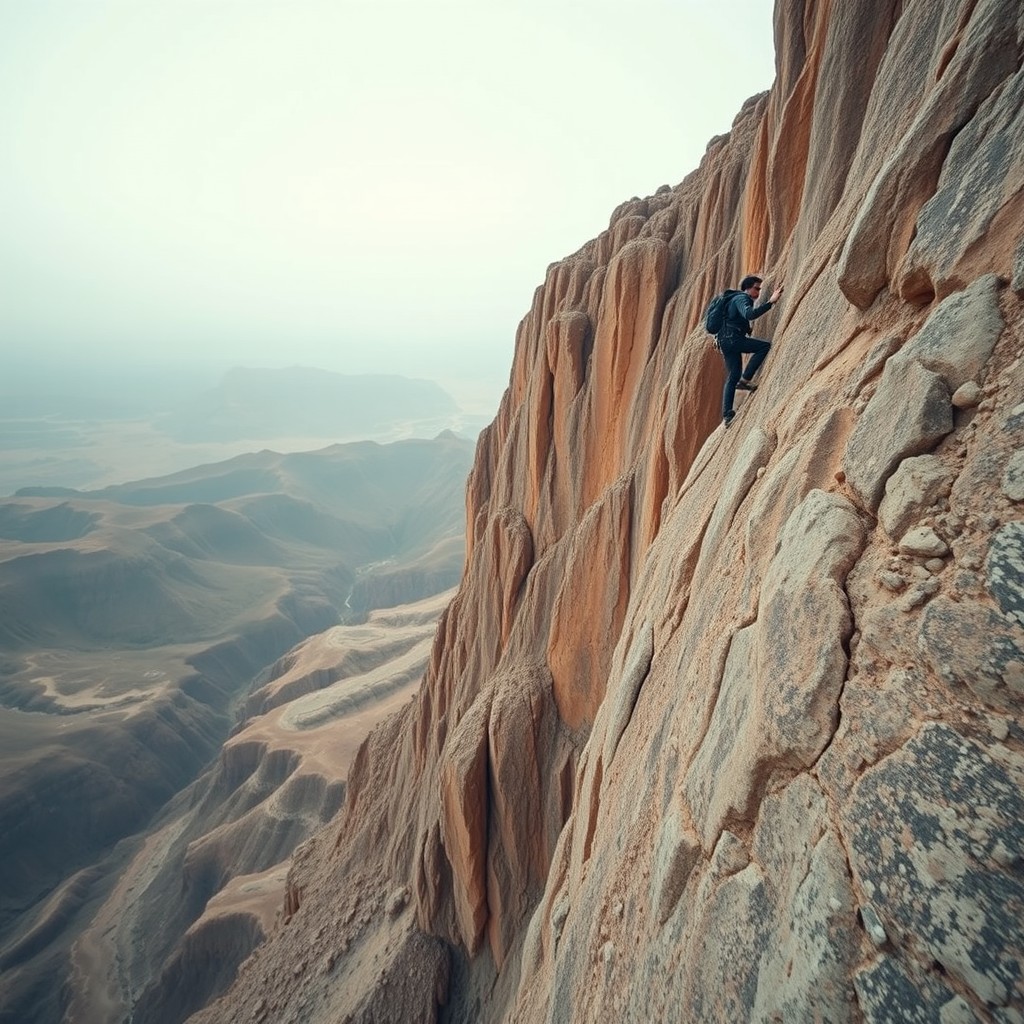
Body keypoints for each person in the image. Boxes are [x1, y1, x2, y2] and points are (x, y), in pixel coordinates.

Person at [718, 274, 783, 427]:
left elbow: (736, 318)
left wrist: (745, 328)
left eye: (760, 289)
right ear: (747, 288)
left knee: (733, 375)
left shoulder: (734, 299)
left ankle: (728, 415)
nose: (759, 292)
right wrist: (771, 302)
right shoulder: (742, 298)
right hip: (732, 339)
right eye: (756, 288)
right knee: (764, 346)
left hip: (725, 341)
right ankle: (746, 380)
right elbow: (749, 314)